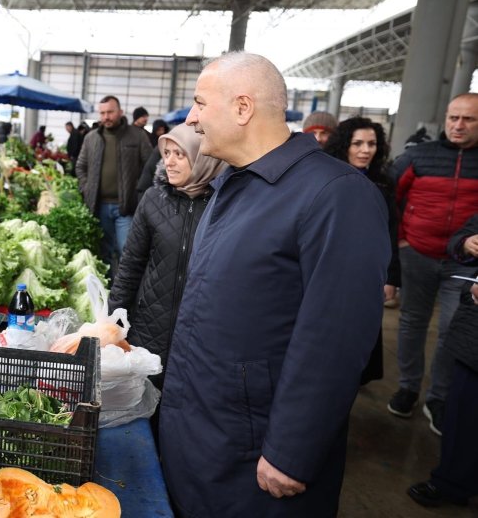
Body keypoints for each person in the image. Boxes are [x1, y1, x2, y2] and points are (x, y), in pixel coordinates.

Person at [159, 52, 389, 516]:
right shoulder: (234, 185)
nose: (192, 118)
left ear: (243, 108)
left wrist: (292, 450)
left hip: (257, 451)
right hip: (204, 429)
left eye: (201, 103)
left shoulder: (335, 195)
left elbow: (336, 337)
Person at [108, 122, 224, 396]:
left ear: (202, 157)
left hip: (201, 333)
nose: (169, 162)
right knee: (147, 401)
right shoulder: (153, 199)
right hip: (150, 328)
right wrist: (114, 320)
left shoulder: (225, 205)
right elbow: (131, 265)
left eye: (179, 154)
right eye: (166, 153)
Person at [386, 92, 478, 435]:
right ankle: (409, 387)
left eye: (468, 119)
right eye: (454, 117)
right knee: (412, 321)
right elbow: (388, 198)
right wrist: (401, 243)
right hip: (417, 254)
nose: (458, 125)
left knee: (451, 330)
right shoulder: (418, 157)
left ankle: (437, 397)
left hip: (465, 265)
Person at [407, 213, 478, 508]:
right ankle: (450, 482)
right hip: (474, 336)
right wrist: (465, 244)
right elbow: (457, 243)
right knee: (463, 411)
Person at [324, 116, 401, 383]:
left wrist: (391, 277)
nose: (365, 150)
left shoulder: (383, 183)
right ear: (344, 145)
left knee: (361, 327)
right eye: (357, 143)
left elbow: (391, 231)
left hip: (366, 273)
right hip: (328, 269)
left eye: (372, 143)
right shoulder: (324, 179)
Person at [75, 95, 152, 276]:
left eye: (110, 112)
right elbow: (80, 166)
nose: (106, 117)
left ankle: (127, 294)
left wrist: (140, 194)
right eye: (102, 113)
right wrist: (86, 188)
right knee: (105, 252)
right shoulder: (91, 138)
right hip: (99, 206)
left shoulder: (137, 136)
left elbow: (150, 167)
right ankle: (108, 290)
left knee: (127, 250)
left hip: (126, 207)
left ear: (120, 112)